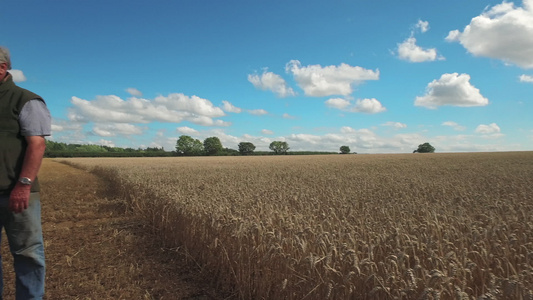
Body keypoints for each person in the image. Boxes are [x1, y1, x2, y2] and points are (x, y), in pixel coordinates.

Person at [0, 46, 51, 299]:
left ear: (2, 67)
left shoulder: (26, 99)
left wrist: (23, 185)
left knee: (27, 253)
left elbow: (37, 144)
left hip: (16, 192)